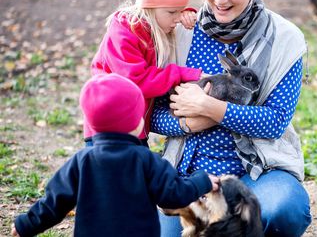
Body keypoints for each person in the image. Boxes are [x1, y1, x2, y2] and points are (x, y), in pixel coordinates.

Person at [151, 0, 312, 236]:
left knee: (282, 211)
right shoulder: (178, 29)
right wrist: (190, 123)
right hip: (189, 171)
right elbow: (152, 112)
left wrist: (210, 108)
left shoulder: (285, 38)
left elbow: (275, 122)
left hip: (260, 171)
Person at [11, 74, 219, 237]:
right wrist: (202, 181)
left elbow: (54, 202)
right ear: (137, 121)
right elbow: (174, 195)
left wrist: (25, 225)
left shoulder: (82, 161)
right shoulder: (146, 161)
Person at [84, 0, 202, 146]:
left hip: (134, 126)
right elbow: (135, 81)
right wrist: (181, 73)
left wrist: (186, 14)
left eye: (181, 10)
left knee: (141, 172)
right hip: (110, 128)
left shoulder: (156, 26)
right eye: (172, 12)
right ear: (149, 7)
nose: (177, 18)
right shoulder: (125, 31)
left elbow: (168, 14)